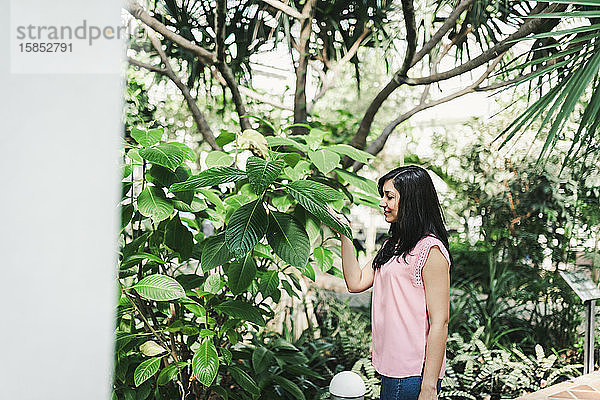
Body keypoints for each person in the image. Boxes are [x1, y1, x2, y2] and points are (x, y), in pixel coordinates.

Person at [336, 165, 451, 400]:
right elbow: (356, 282)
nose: (382, 202)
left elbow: (440, 321)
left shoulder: (431, 250)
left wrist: (428, 386)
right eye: (383, 195)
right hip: (392, 369)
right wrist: (344, 233)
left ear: (411, 201)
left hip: (414, 374)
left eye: (390, 197)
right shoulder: (393, 246)